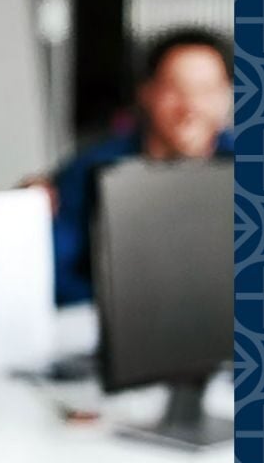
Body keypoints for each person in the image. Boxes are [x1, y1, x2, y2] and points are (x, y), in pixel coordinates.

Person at [39, 26, 235, 306]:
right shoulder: (92, 169)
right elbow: (55, 272)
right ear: (147, 92)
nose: (190, 108)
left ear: (226, 96)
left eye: (206, 90)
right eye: (175, 89)